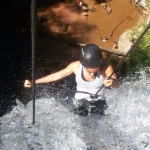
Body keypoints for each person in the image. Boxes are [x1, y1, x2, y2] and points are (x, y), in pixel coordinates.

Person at [24, 44, 119, 115]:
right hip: (80, 102)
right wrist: (34, 82)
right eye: (90, 71)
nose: (93, 74)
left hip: (99, 102)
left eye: (96, 70)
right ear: (83, 64)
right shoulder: (76, 66)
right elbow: (55, 76)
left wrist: (111, 82)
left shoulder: (106, 67)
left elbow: (117, 86)